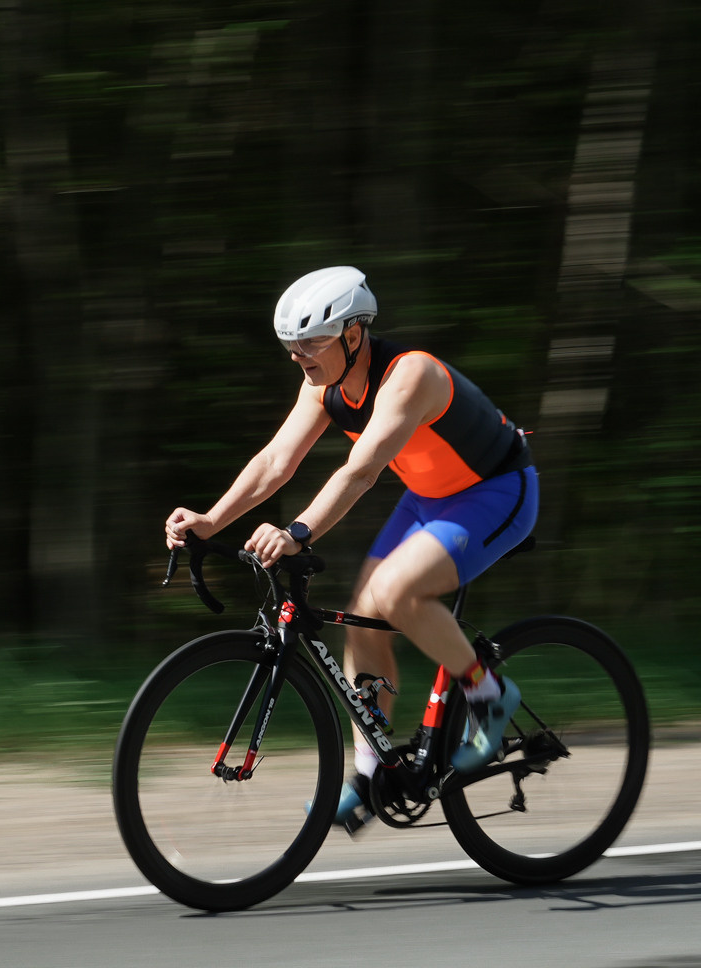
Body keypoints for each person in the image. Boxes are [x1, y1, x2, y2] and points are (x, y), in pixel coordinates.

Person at [162, 267, 538, 835]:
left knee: (396, 593)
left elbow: (360, 473)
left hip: (498, 490)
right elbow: (275, 461)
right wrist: (211, 520)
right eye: (291, 345)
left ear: (354, 334)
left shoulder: (410, 375)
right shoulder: (324, 385)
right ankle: (370, 773)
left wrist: (298, 531)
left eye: (311, 342)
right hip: (430, 495)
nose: (298, 356)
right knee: (363, 618)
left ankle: (489, 696)